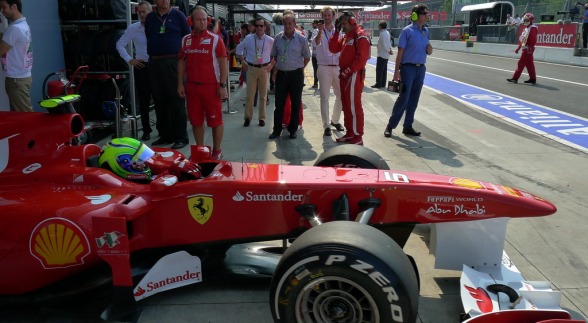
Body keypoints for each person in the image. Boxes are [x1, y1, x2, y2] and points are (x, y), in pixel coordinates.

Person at [178, 6, 228, 160]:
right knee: (196, 121)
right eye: (199, 19)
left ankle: (217, 150)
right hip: (192, 87)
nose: (202, 22)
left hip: (211, 87)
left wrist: (222, 86)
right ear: (191, 21)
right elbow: (181, 62)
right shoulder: (185, 40)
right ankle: (201, 150)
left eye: (205, 19)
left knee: (215, 120)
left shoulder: (215, 39)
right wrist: (180, 84)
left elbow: (223, 63)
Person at [144, 0, 191, 149]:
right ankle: (165, 135)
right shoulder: (150, 18)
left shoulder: (178, 15)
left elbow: (187, 37)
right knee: (159, 101)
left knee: (176, 100)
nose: (164, 1)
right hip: (154, 62)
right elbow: (149, 35)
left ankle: (181, 137)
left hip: (173, 62)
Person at [384, 4, 433, 138]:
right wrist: (396, 71)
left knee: (414, 99)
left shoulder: (426, 31)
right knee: (403, 98)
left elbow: (427, 49)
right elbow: (400, 53)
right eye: (424, 13)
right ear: (415, 15)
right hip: (408, 68)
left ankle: (408, 126)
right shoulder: (407, 31)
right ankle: (390, 126)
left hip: (420, 68)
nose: (426, 15)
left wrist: (430, 50)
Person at [328, 11, 370, 145]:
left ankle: (358, 137)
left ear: (352, 21)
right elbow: (333, 48)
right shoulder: (347, 36)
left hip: (354, 75)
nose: (343, 26)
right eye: (341, 24)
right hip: (345, 75)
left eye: (344, 23)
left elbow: (362, 58)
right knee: (346, 105)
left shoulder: (360, 36)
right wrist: (336, 31)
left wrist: (347, 71)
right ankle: (350, 133)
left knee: (354, 106)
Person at [269, 10, 310, 140]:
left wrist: (299, 68)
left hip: (296, 75)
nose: (287, 26)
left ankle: (293, 129)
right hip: (282, 75)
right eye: (285, 24)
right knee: (279, 104)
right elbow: (275, 55)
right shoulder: (278, 38)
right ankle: (277, 129)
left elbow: (307, 57)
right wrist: (275, 71)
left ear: (294, 24)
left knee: (295, 103)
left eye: (290, 23)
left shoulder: (301, 39)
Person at [116, 1, 153, 141]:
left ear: (150, 11)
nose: (142, 15)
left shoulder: (157, 26)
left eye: (145, 12)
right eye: (140, 12)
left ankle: (164, 129)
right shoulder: (134, 28)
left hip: (156, 65)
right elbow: (119, 44)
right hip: (142, 66)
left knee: (160, 98)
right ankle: (146, 130)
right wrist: (129, 59)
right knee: (143, 100)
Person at [99, 137, 202, 183]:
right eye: (139, 161)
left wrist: (172, 171)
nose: (144, 164)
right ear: (123, 164)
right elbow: (150, 186)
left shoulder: (140, 178)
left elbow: (152, 178)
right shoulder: (129, 186)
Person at [312, 6, 344, 137]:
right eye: (324, 15)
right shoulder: (317, 31)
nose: (326, 17)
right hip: (324, 67)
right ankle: (326, 125)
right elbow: (316, 43)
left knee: (341, 95)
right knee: (324, 97)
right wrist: (320, 31)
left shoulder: (339, 32)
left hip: (337, 67)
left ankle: (335, 120)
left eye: (329, 15)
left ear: (333, 16)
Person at [238, 17, 274, 127]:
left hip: (264, 69)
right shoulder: (249, 38)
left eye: (261, 26)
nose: (259, 27)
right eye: (257, 25)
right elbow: (239, 49)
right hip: (251, 69)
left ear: (265, 27)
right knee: (250, 95)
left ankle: (262, 118)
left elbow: (277, 53)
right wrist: (242, 61)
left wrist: (271, 65)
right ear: (254, 27)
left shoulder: (270, 40)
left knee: (263, 95)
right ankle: (247, 118)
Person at [0, 0, 32, 112]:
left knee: (25, 116)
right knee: (19, 116)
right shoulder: (21, 25)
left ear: (14, 6)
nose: (2, 11)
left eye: (4, 7)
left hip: (16, 80)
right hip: (20, 77)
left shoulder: (15, 29)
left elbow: (1, 50)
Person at [507, 13, 538, 85]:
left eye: (527, 20)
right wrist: (518, 48)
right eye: (524, 20)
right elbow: (523, 40)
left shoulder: (532, 28)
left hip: (528, 49)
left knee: (521, 63)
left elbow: (533, 39)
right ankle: (533, 79)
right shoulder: (526, 28)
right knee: (530, 65)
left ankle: (515, 78)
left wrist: (530, 47)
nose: (525, 21)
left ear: (531, 21)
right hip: (526, 48)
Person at [372, 21, 393, 89]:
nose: (378, 27)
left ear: (381, 26)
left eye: (379, 26)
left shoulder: (382, 33)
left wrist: (389, 50)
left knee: (379, 70)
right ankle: (383, 83)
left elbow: (384, 44)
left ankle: (378, 83)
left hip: (382, 54)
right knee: (384, 70)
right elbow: (389, 43)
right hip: (386, 54)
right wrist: (390, 49)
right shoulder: (387, 33)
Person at [310, 20, 319, 89]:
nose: (312, 25)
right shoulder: (325, 30)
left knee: (316, 69)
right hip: (321, 54)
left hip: (315, 53)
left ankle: (316, 83)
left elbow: (313, 42)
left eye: (313, 24)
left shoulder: (315, 31)